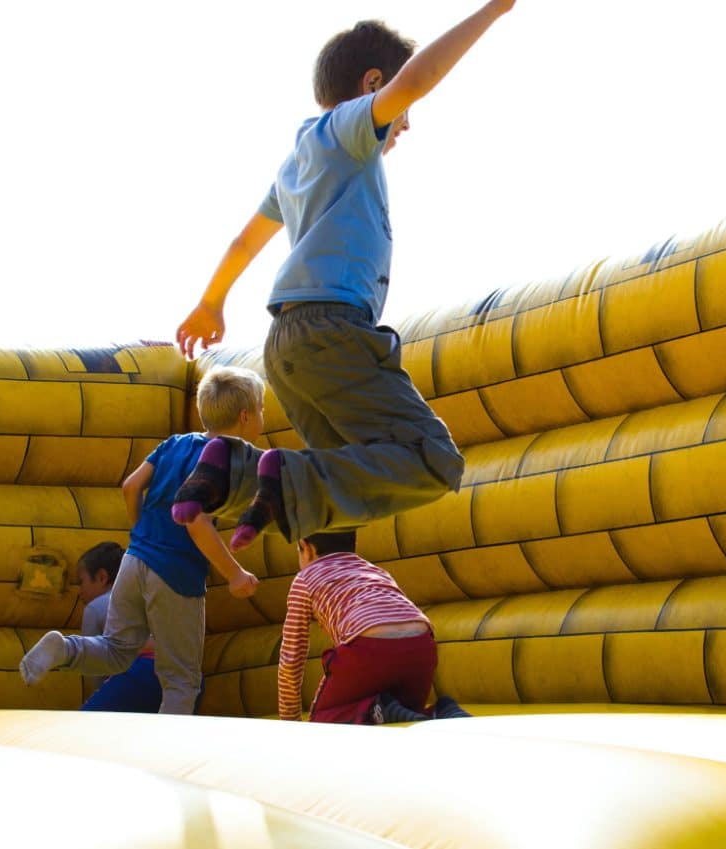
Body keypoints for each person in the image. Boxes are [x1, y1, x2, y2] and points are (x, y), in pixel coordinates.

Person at [172, 1, 517, 551]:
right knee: (432, 460)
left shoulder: (298, 161)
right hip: (333, 331)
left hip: (285, 345)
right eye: (400, 108)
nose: (406, 122)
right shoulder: (349, 132)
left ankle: (237, 472)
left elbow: (245, 240)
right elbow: (419, 79)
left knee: (337, 490)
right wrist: (494, 11)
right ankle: (280, 478)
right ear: (374, 83)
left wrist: (210, 303)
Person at [19, 366, 264, 714]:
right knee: (181, 680)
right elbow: (194, 520)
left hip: (135, 561)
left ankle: (64, 649)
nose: (262, 418)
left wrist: (141, 536)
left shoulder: (175, 444)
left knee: (117, 651)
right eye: (261, 410)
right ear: (245, 416)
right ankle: (169, 755)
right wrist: (235, 573)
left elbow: (131, 486)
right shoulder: (224, 460)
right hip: (176, 572)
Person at [278, 530, 470, 724]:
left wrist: (289, 721)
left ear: (306, 547)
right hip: (421, 647)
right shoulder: (375, 571)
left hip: (368, 647)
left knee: (323, 723)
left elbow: (292, 657)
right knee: (404, 715)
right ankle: (441, 711)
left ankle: (375, 711)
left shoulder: (305, 578)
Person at [74, 540, 164, 713]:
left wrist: (101, 697)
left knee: (84, 724)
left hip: (140, 672)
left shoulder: (95, 608)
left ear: (102, 577)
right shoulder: (149, 597)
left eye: (81, 581)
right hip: (179, 676)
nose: (79, 591)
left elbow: (92, 665)